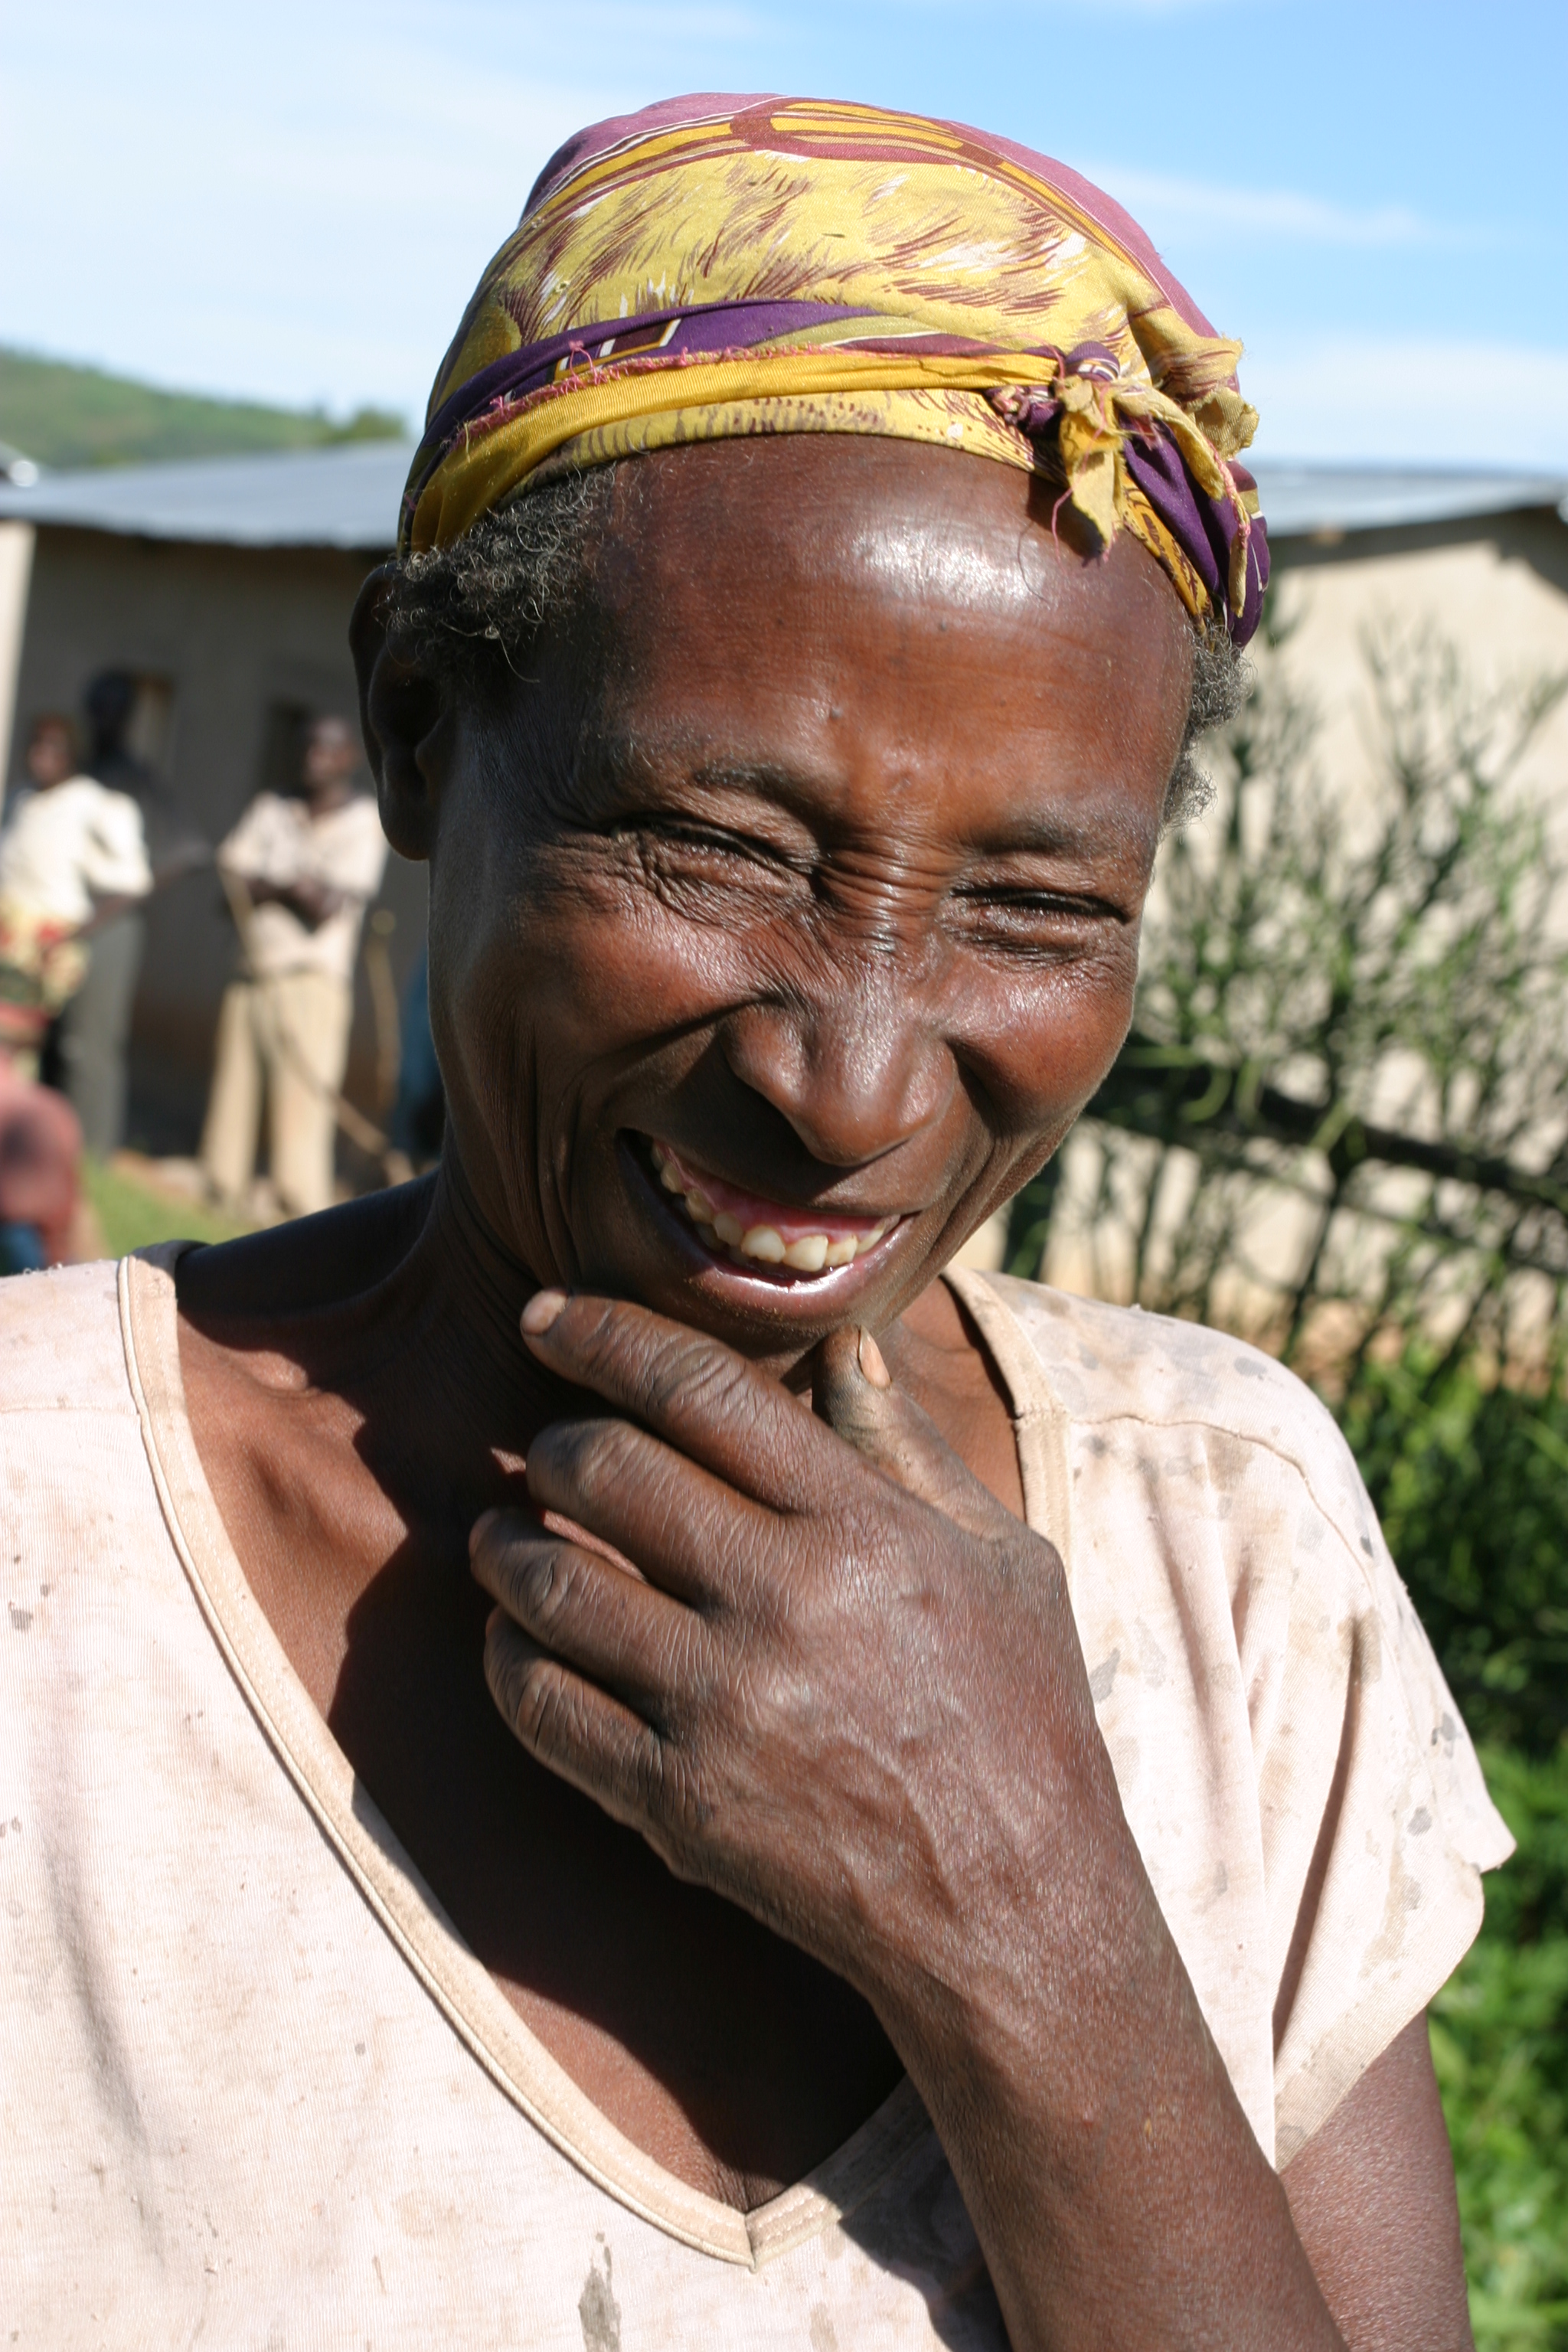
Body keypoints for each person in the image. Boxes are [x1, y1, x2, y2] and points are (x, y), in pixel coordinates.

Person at [1, 98, 1508, 2350]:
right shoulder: (50, 1571)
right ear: (417, 728)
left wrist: (1028, 1921)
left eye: (1028, 906)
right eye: (715, 850)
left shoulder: (1232, 1556)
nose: (852, 1088)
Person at [198, 712, 388, 1218]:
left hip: (312, 982)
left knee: (301, 1104)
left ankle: (294, 1209)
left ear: (349, 758)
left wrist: (270, 882)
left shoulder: (363, 821)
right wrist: (293, 884)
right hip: (252, 970)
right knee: (232, 1092)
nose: (314, 759)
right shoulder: (272, 807)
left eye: (327, 750)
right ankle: (220, 1194)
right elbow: (228, 886)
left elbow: (325, 909)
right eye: (308, 748)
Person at [0, 710, 152, 1083]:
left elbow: (134, 880)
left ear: (72, 755)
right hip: (10, 933)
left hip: (48, 941)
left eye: (54, 748)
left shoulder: (92, 803)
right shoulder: (22, 797)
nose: (41, 756)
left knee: (26, 1038)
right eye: (36, 745)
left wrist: (74, 934)